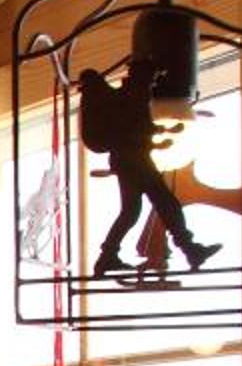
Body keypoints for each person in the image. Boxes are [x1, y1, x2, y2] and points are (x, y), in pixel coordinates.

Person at [77, 63, 218, 275]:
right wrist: (158, 135)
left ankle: (107, 257)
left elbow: (137, 128)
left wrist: (157, 137)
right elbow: (136, 129)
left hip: (129, 160)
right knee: (165, 202)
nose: (154, 81)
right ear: (145, 76)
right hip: (135, 161)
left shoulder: (128, 94)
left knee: (131, 212)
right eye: (153, 77)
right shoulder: (134, 93)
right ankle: (190, 249)